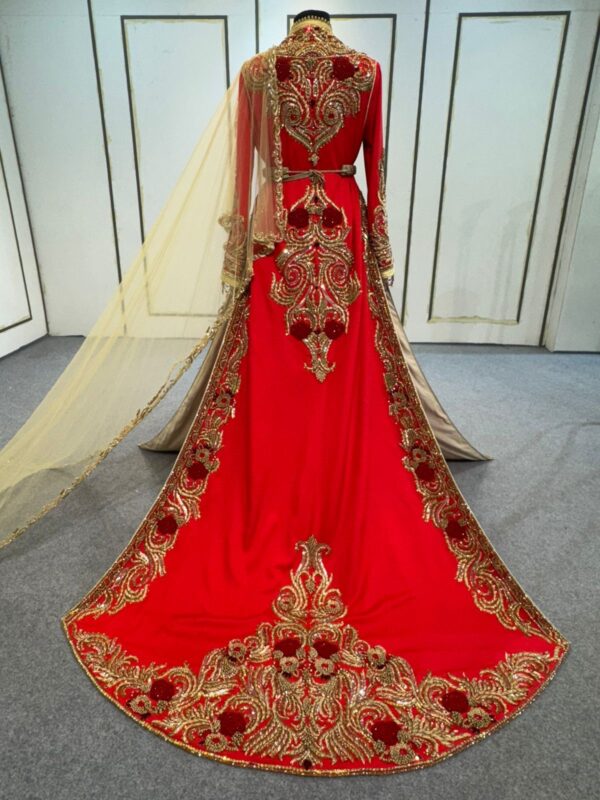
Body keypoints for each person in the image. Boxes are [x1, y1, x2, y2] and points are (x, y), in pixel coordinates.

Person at [57, 10, 568, 776]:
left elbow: (245, 173)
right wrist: (377, 247)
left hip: (280, 232)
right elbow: (376, 167)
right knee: (347, 374)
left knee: (274, 373)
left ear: (294, 24)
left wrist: (239, 252)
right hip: (344, 227)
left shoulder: (258, 71)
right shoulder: (367, 71)